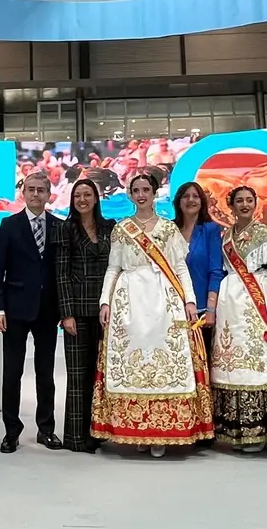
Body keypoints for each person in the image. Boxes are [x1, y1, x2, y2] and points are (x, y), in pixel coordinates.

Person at [91, 173, 214, 457]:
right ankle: (136, 429)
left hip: (164, 300)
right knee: (133, 363)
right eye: (136, 190)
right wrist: (105, 302)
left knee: (165, 362)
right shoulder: (122, 229)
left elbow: (180, 267)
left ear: (154, 193)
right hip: (129, 300)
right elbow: (113, 268)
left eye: (146, 189)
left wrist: (190, 301)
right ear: (130, 194)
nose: (141, 194)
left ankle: (163, 431)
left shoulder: (169, 229)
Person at [213, 185, 267, 452]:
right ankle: (236, 428)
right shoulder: (226, 235)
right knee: (233, 361)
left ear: (255, 204)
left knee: (257, 356)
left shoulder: (264, 234)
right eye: (240, 201)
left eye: (249, 200)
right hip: (231, 304)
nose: (245, 205)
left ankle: (260, 428)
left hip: (257, 299)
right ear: (232, 205)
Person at [0, 170, 64, 453]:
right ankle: (11, 431)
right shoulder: (9, 225)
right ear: (23, 192)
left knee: (46, 374)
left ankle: (47, 429)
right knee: (13, 373)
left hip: (47, 311)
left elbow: (61, 272)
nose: (35, 194)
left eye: (41, 190)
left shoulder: (59, 226)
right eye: (30, 189)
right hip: (15, 309)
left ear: (48, 194)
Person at [55, 179, 114, 453]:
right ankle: (76, 437)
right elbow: (61, 274)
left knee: (100, 375)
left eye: (87, 194)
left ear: (96, 198)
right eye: (78, 195)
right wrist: (66, 314)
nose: (82, 199)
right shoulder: (65, 229)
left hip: (104, 312)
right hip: (77, 313)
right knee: (77, 376)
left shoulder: (109, 227)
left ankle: (99, 431)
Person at [173, 182, 223, 360]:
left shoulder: (211, 229)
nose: (190, 200)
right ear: (178, 202)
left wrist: (211, 309)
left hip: (202, 311)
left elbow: (216, 271)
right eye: (186, 196)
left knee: (203, 363)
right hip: (174, 309)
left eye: (195, 196)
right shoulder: (169, 230)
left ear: (202, 202)